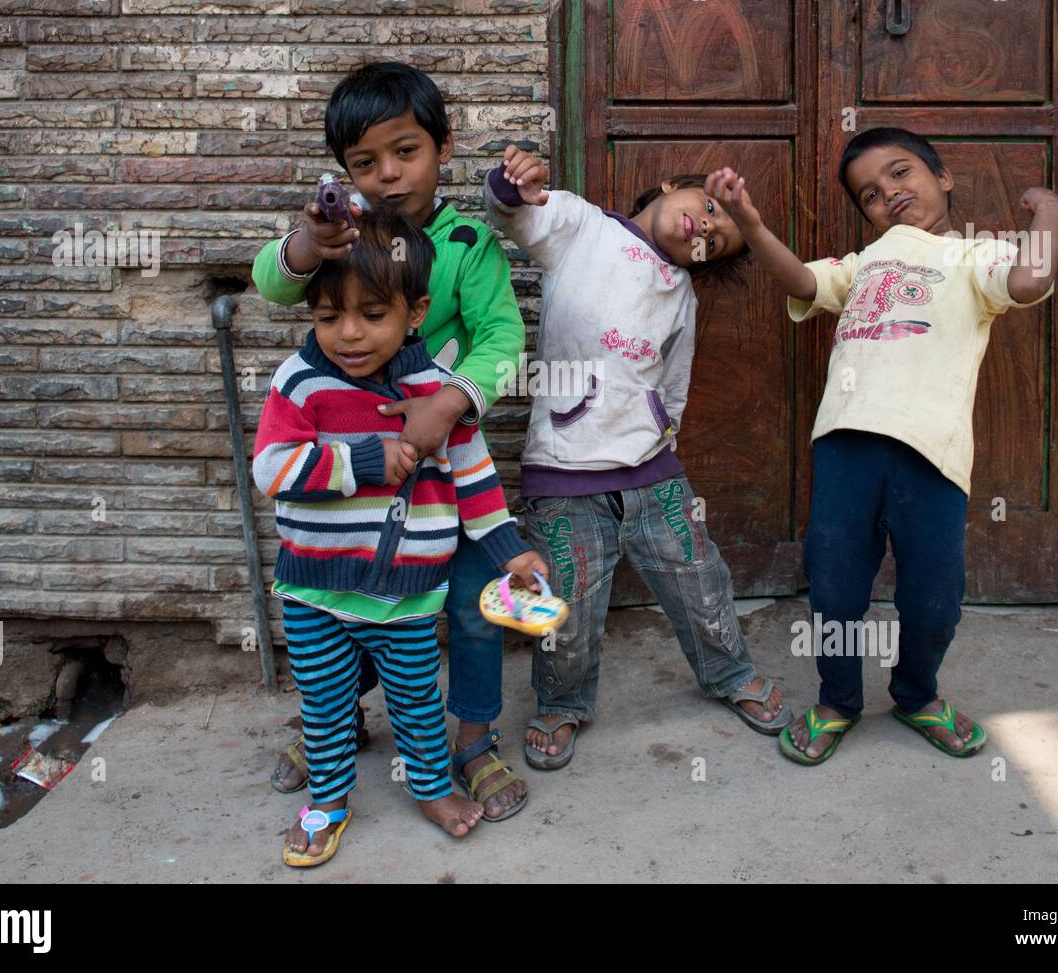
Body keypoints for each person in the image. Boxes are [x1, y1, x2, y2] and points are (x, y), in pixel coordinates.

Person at [714, 126, 1058, 764]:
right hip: (846, 446)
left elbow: (1028, 282)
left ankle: (917, 694)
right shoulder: (863, 264)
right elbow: (799, 281)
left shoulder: (975, 257)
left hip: (932, 455)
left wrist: (1049, 211)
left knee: (934, 597)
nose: (891, 194)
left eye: (902, 173)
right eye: (871, 194)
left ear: (944, 178)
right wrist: (751, 222)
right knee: (835, 588)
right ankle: (837, 700)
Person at [252, 61, 531, 820]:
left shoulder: (469, 242)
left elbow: (503, 336)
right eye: (365, 163)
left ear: (442, 145)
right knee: (338, 602)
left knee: (475, 604)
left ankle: (472, 739)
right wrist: (310, 242)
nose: (388, 175)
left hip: (443, 473)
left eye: (405, 151)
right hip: (352, 476)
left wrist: (448, 401)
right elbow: (273, 284)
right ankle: (331, 726)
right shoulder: (343, 234)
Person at [485, 145, 793, 771]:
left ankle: (730, 673)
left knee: (700, 579)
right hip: (563, 469)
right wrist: (513, 183)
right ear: (665, 186)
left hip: (653, 473)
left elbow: (674, 380)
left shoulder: (681, 292)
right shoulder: (582, 227)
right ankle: (560, 703)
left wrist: (665, 434)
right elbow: (513, 215)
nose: (706, 226)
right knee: (565, 603)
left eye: (719, 240)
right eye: (708, 208)